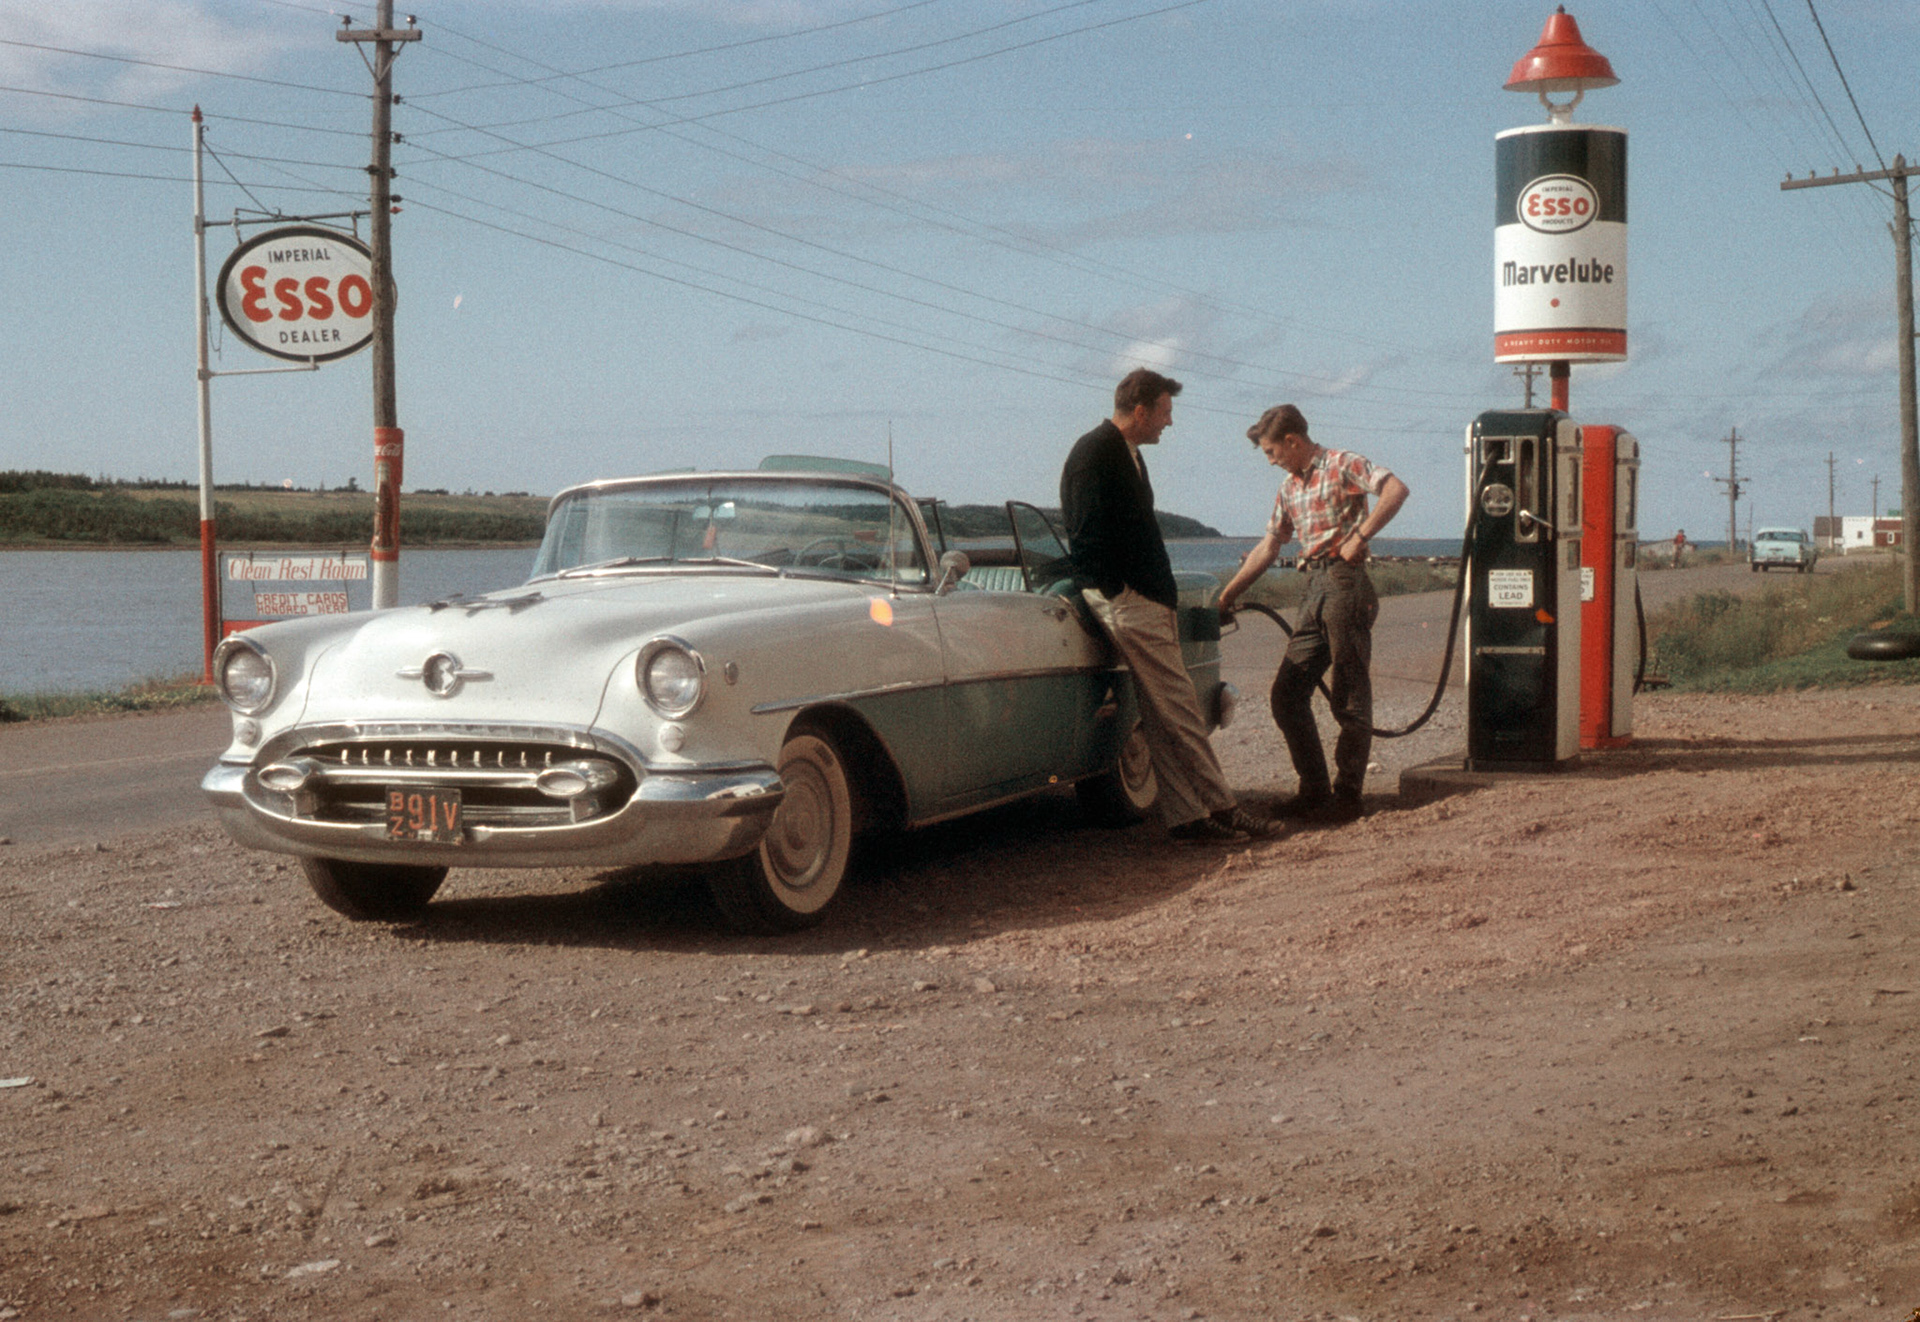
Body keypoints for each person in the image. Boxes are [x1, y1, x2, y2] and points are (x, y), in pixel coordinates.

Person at [1060, 369, 1272, 844]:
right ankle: (1225, 807)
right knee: (1180, 711)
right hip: (1130, 602)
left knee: (1161, 715)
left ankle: (1188, 818)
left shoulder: (1125, 453)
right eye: (1165, 413)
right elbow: (1086, 534)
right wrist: (1119, 593)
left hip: (1143, 599)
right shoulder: (1095, 453)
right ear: (1140, 411)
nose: (1168, 424)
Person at [1216, 404, 1410, 825]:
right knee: (1286, 695)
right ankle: (1315, 791)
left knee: (1349, 693)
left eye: (1272, 451)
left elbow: (1395, 490)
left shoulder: (1342, 463)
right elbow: (1269, 547)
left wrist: (1360, 536)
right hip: (1313, 589)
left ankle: (1348, 795)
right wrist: (1228, 594)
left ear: (1292, 440)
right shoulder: (1289, 488)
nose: (1270, 460)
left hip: (1346, 584)